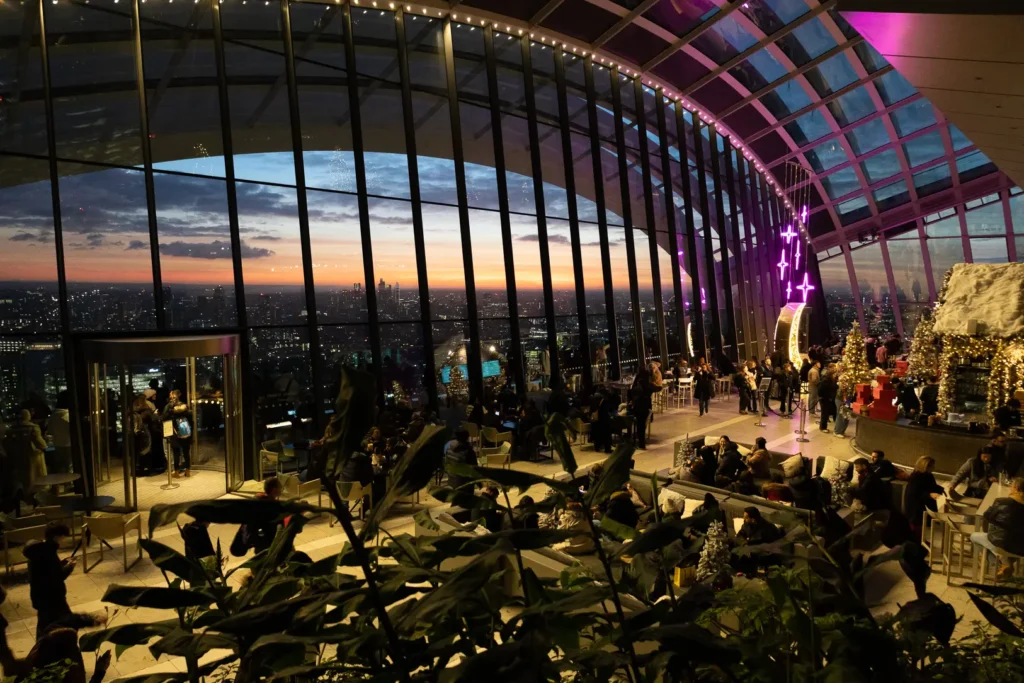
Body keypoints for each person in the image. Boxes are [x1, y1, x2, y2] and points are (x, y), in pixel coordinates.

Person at [25, 524, 105, 639]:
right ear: (57, 536)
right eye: (63, 537)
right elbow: (57, 576)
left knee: (44, 625)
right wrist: (69, 567)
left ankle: (41, 646)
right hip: (53, 597)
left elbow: (47, 572)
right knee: (64, 621)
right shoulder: (49, 554)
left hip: (40, 598)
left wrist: (62, 563)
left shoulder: (38, 553)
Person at [970, 477, 1024, 580]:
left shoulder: (1002, 502)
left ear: (1016, 488)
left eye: (1011, 486)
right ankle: (1007, 564)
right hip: (1021, 548)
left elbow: (986, 516)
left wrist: (991, 507)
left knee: (974, 537)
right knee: (1011, 542)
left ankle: (997, 565)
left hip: (999, 543)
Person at [5, 409, 48, 495]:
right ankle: (36, 496)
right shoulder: (33, 427)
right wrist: (44, 446)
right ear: (28, 416)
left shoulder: (11, 429)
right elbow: (38, 441)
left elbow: (7, 443)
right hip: (32, 456)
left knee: (22, 477)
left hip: (17, 456)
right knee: (34, 477)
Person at [905, 456, 944, 539]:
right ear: (926, 466)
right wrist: (929, 495)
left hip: (924, 503)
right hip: (916, 506)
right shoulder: (916, 477)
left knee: (922, 525)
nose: (933, 468)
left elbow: (932, 486)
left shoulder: (928, 475)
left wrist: (941, 489)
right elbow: (914, 493)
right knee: (917, 526)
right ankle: (916, 542)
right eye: (932, 466)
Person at [162, 390, 193, 478]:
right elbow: (190, 416)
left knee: (176, 452)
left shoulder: (169, 407)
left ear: (173, 396)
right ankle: (188, 471)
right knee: (186, 452)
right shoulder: (184, 406)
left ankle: (176, 472)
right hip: (185, 432)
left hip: (175, 432)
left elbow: (164, 417)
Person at [629, 369, 654, 450]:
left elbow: (631, 393)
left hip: (638, 406)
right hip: (645, 406)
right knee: (642, 425)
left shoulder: (637, 383)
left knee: (639, 424)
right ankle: (641, 443)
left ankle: (636, 441)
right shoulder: (648, 384)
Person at [45, 401, 72, 474]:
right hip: (68, 443)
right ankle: (69, 481)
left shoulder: (53, 416)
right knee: (69, 464)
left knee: (60, 465)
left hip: (57, 444)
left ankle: (61, 481)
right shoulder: (68, 415)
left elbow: (49, 431)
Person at [817, 367, 837, 433]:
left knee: (826, 412)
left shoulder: (830, 380)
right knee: (824, 413)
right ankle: (823, 427)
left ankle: (823, 426)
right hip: (824, 398)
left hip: (827, 398)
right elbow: (821, 389)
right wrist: (822, 396)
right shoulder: (826, 380)